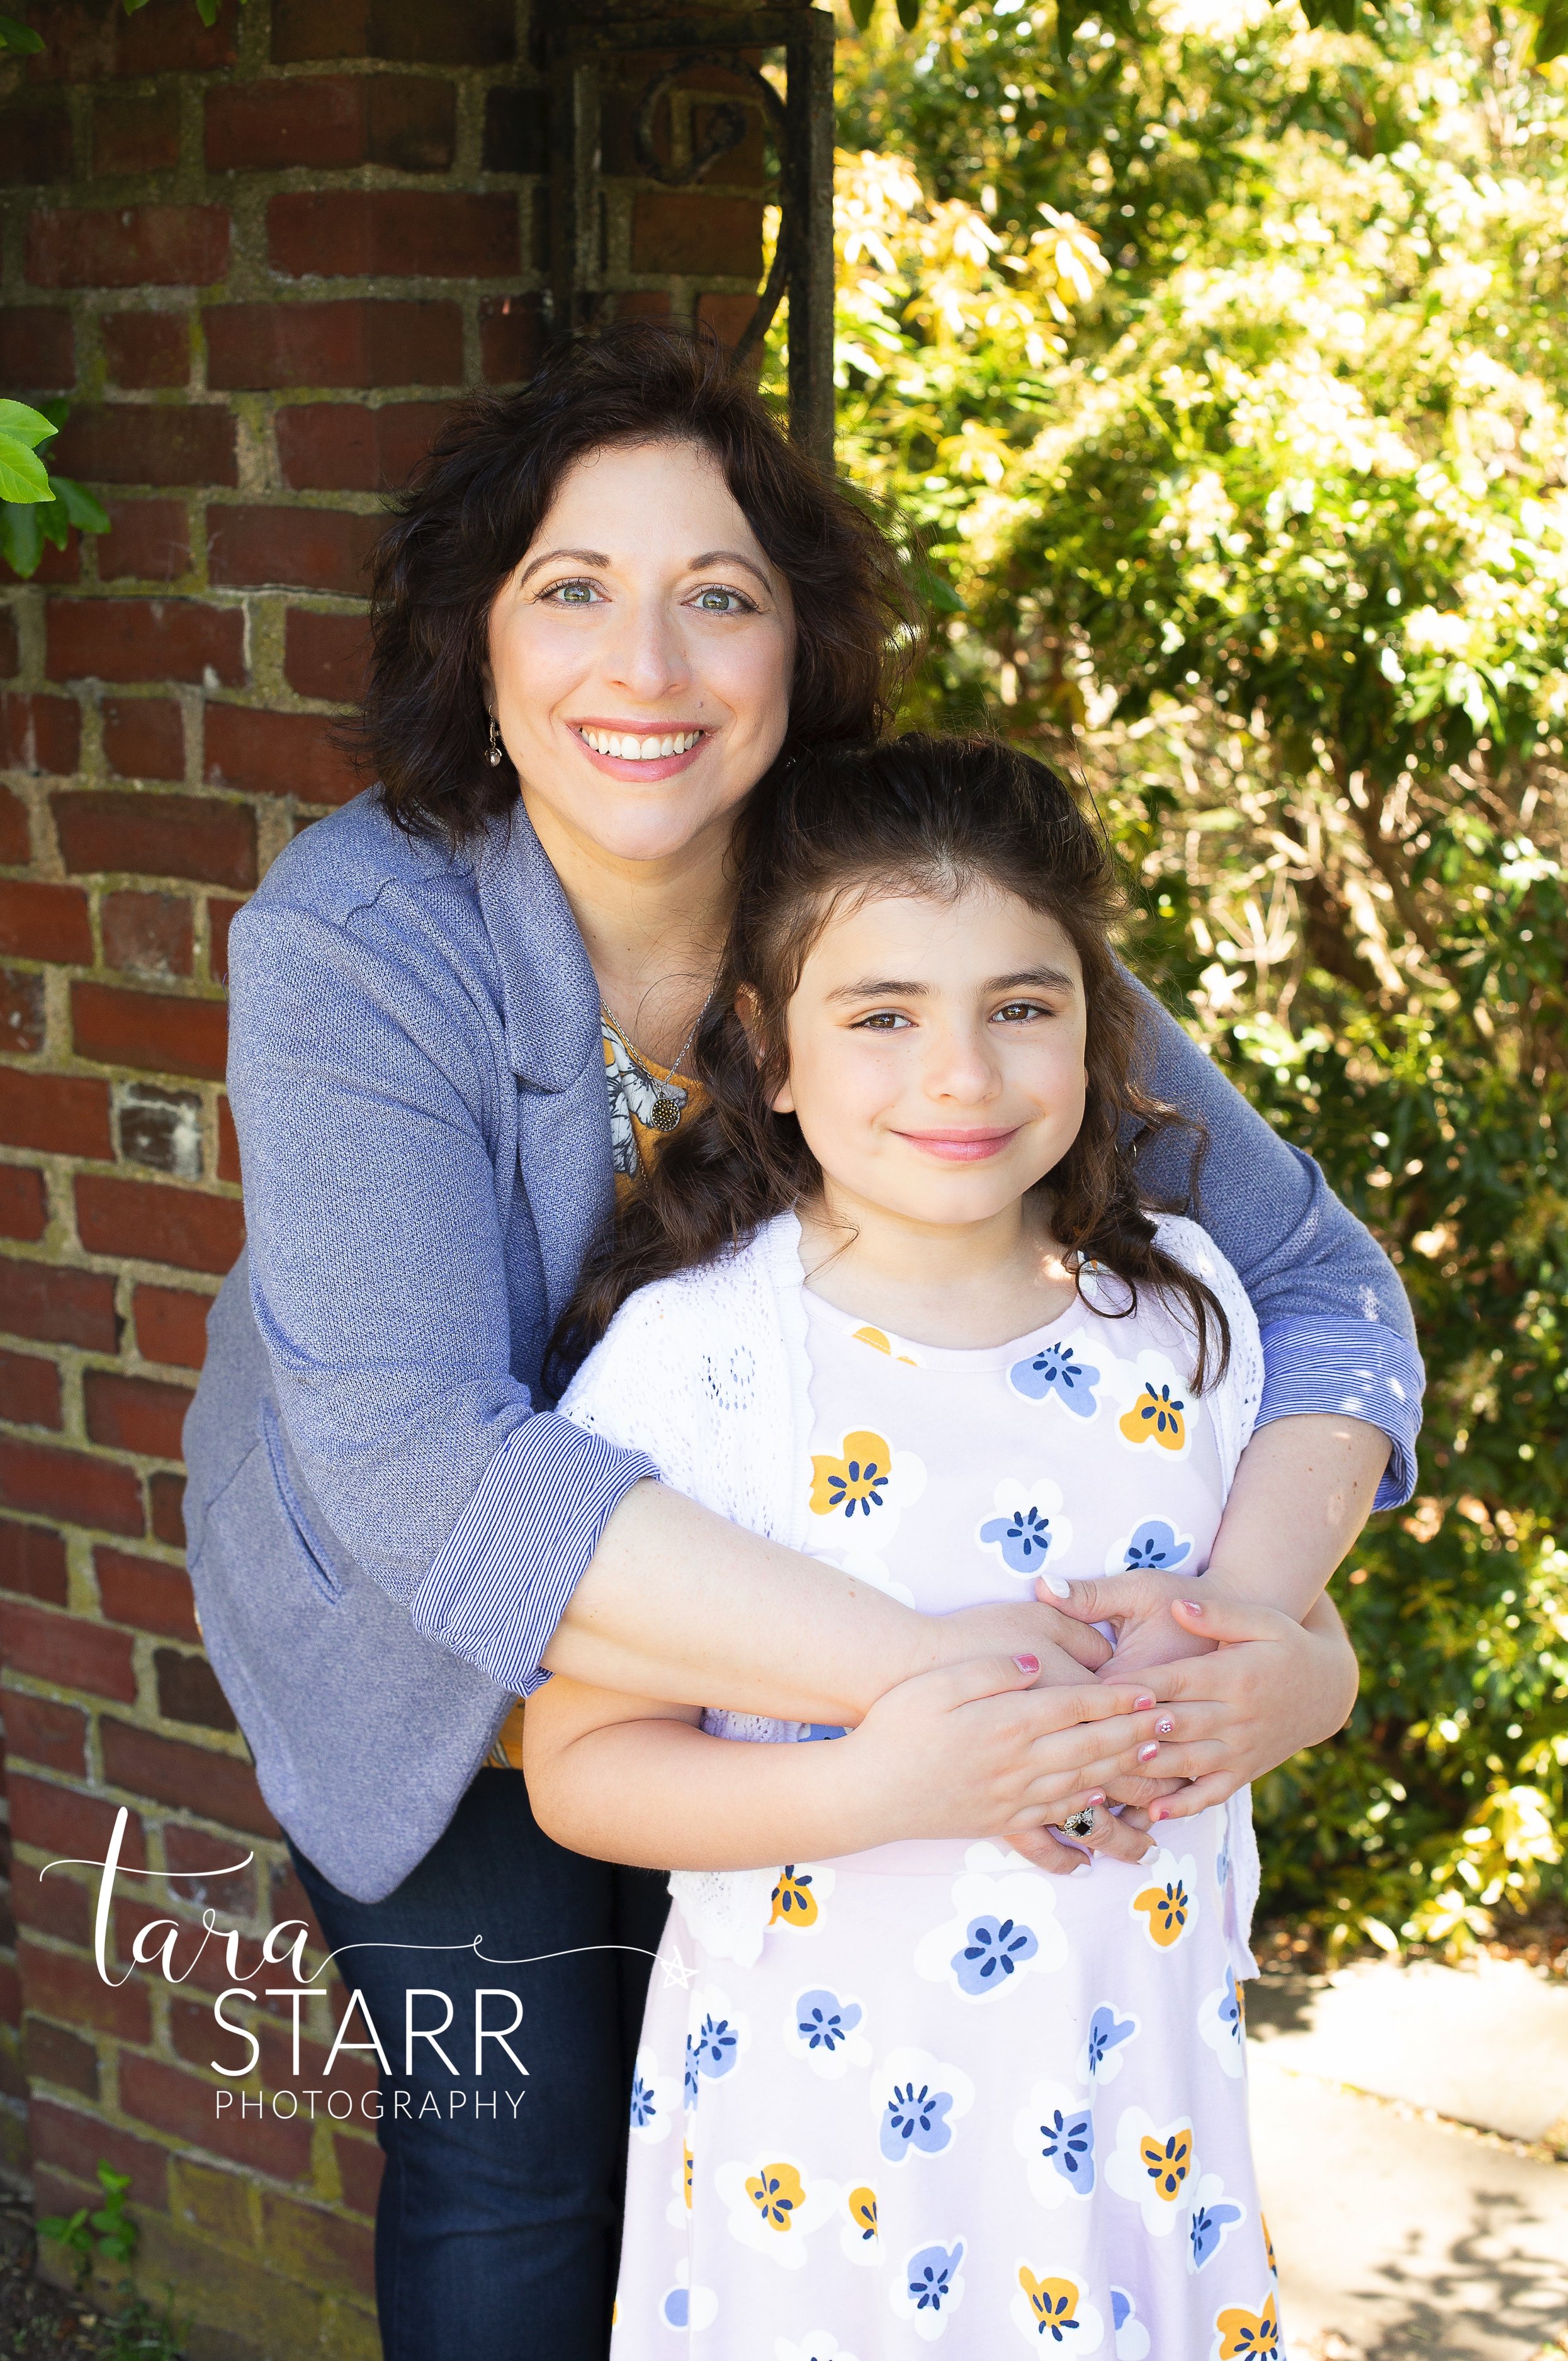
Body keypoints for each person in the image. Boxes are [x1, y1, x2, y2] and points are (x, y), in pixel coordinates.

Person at [182, 328, 1419, 2361]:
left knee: (800, 2145)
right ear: (471, 643)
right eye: (570, 590)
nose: (643, 670)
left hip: (855, 1705)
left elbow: (1323, 1286)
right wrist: (984, 1695)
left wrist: (1241, 1633)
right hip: (430, 1653)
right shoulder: (359, 935)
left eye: (719, 598)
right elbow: (418, 1466)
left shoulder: (913, 914)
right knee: (522, 2165)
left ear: (801, 646)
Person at [526, 734, 1295, 2357]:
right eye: (883, 1016)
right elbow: (579, 1766)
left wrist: (1306, 1683)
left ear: (1100, 1026)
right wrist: (871, 1788)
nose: (962, 1073)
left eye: (1023, 1006)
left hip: (1139, 2099)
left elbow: (1276, 1627)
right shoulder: (702, 1364)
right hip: (828, 2149)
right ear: (772, 1052)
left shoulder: (1190, 1319)